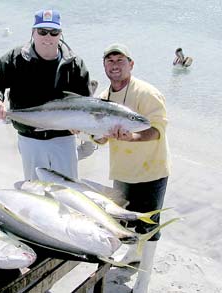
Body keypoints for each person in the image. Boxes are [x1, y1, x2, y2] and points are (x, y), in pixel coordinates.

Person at [94, 43, 171, 293]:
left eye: (120, 60)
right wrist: (87, 133)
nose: (115, 66)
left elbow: (158, 129)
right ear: (104, 66)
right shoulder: (103, 98)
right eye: (110, 61)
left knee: (149, 227)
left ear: (131, 64)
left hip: (152, 171)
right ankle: (133, 257)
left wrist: (132, 138)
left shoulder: (147, 93)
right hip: (122, 172)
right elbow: (99, 138)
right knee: (125, 224)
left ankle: (144, 281)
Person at [0, 9, 91, 180]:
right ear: (33, 32)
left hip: (64, 139)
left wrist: (80, 124)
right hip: (30, 139)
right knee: (35, 192)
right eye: (42, 31)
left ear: (60, 34)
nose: (48, 37)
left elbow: (86, 103)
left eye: (54, 32)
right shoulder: (16, 58)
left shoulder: (75, 63)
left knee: (68, 191)